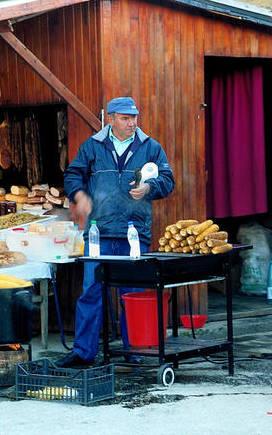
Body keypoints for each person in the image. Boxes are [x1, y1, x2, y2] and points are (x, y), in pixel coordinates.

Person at [57, 96, 175, 367]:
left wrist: (149, 188)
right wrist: (79, 195)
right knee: (91, 293)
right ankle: (83, 352)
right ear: (110, 119)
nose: (131, 123)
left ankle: (134, 351)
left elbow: (168, 181)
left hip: (134, 234)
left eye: (134, 117)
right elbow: (73, 174)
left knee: (132, 295)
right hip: (99, 233)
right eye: (124, 118)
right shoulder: (93, 146)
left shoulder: (151, 147)